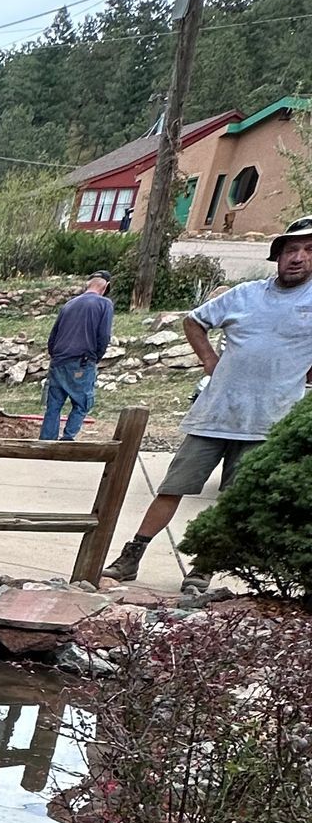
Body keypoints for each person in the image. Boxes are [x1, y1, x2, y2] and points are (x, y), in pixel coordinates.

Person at [104, 218, 312, 580]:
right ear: (277, 255)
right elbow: (194, 321)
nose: (298, 258)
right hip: (215, 414)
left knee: (233, 504)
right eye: (291, 249)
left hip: (268, 423)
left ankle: (202, 572)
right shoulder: (246, 294)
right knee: (172, 489)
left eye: (309, 251)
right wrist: (208, 360)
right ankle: (130, 558)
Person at [39, 270, 114, 441]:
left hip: (59, 360)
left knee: (54, 405)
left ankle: (46, 442)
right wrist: (96, 357)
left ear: (88, 284)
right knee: (82, 403)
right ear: (106, 286)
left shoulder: (69, 304)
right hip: (82, 361)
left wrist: (54, 356)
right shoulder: (104, 304)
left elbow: (54, 334)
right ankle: (67, 440)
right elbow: (104, 335)